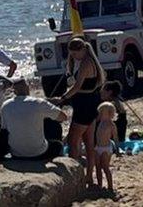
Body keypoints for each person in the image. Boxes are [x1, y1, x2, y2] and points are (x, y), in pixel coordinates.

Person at [50, 38, 105, 186]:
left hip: (84, 105)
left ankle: (75, 177)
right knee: (88, 142)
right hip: (89, 103)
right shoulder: (84, 61)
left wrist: (62, 98)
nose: (74, 56)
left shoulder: (86, 63)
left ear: (83, 50)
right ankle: (88, 176)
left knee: (73, 142)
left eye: (76, 54)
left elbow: (77, 86)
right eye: (72, 54)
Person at [1, 79, 67, 160]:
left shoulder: (5, 105)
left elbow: (4, 129)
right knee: (57, 139)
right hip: (38, 153)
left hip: (16, 153)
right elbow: (63, 117)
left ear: (14, 92)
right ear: (28, 88)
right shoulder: (38, 103)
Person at [94, 102, 119, 191]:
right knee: (97, 167)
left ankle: (110, 186)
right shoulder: (99, 122)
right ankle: (100, 185)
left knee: (105, 167)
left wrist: (117, 150)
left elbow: (115, 137)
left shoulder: (111, 124)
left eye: (102, 111)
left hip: (106, 148)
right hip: (98, 147)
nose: (100, 113)